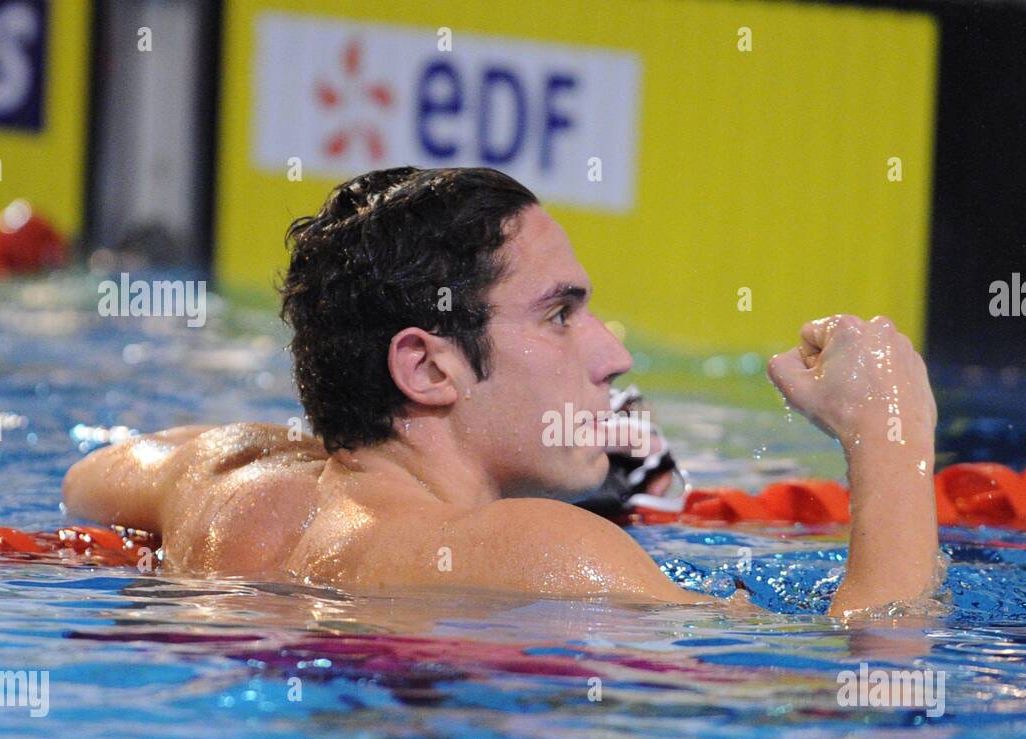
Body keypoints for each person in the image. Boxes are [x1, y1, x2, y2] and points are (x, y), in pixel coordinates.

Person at [61, 167, 940, 616]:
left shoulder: (226, 483)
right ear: (428, 368)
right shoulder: (545, 552)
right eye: (560, 315)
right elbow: (868, 677)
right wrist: (891, 438)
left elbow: (88, 481)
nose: (611, 356)